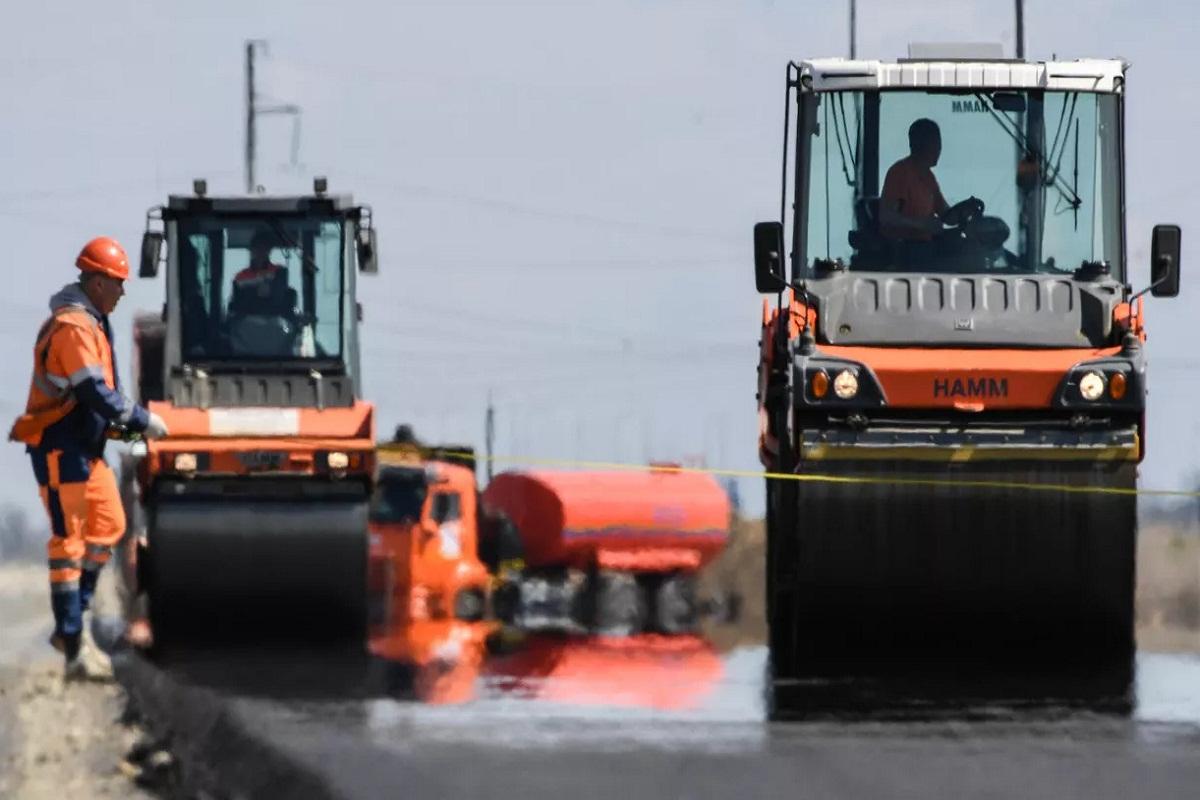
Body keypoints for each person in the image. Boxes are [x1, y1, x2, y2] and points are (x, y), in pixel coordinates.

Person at [9, 237, 169, 681]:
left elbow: (94, 404)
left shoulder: (94, 323)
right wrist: (143, 421)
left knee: (110, 525)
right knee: (70, 543)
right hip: (62, 450)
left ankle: (74, 629)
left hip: (86, 449)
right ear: (97, 282)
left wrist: (130, 432)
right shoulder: (74, 327)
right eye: (117, 283)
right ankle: (74, 643)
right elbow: (92, 392)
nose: (122, 291)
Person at [880, 118, 950, 241]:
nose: (938, 149)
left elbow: (945, 213)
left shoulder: (928, 177)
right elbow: (888, 217)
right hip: (905, 247)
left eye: (939, 143)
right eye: (934, 143)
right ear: (919, 145)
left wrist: (965, 213)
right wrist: (921, 224)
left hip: (926, 244)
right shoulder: (900, 173)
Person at [229, 229, 293, 318]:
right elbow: (238, 303)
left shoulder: (279, 271)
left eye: (264, 248)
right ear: (251, 250)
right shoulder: (240, 276)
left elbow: (278, 297)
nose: (261, 251)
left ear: (269, 250)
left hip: (275, 321)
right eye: (257, 248)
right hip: (247, 322)